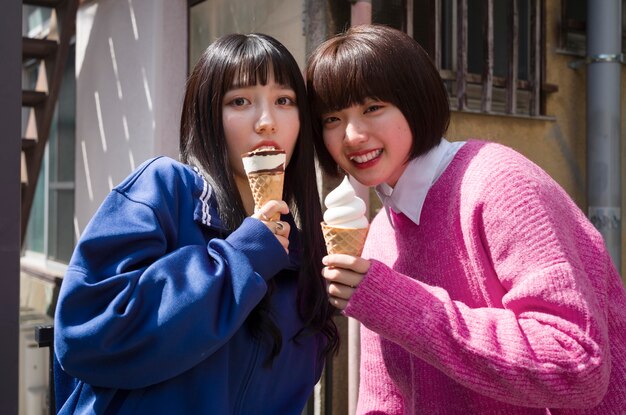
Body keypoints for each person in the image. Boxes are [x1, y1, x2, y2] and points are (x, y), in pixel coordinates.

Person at [306, 24, 626, 414]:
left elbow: (576, 365)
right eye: (332, 119)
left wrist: (402, 305)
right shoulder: (380, 234)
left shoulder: (498, 182)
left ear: (416, 102)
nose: (352, 135)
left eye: (373, 108)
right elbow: (384, 399)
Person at [54, 33, 338, 414]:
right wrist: (242, 258)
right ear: (208, 115)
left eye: (284, 101)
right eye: (240, 101)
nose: (267, 122)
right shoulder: (166, 191)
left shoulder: (298, 255)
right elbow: (87, 334)